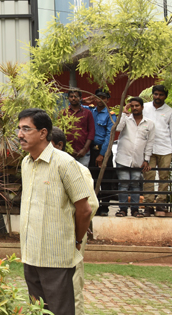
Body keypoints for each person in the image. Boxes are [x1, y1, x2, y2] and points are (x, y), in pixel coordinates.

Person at [18, 108, 91, 315]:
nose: (20, 135)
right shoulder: (26, 163)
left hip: (56, 257)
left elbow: (84, 210)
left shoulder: (64, 163)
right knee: (39, 310)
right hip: (30, 254)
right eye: (19, 129)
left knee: (60, 311)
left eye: (26, 129)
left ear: (43, 133)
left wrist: (76, 241)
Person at [49, 127, 98, 315]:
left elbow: (89, 206)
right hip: (50, 237)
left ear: (59, 145)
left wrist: (75, 236)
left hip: (71, 236)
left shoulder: (78, 169)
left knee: (72, 284)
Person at [141, 85, 172, 216]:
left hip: (165, 148)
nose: (158, 97)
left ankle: (160, 204)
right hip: (148, 148)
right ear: (152, 94)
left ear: (165, 96)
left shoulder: (171, 112)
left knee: (164, 177)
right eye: (156, 94)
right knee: (149, 176)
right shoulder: (144, 107)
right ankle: (148, 205)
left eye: (161, 95)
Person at [113, 97, 154, 217]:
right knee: (123, 184)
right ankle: (123, 209)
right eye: (133, 106)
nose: (135, 108)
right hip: (123, 158)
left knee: (136, 184)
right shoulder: (126, 119)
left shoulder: (149, 123)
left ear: (142, 107)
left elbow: (150, 143)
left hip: (138, 160)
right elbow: (118, 128)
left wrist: (146, 159)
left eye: (137, 106)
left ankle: (135, 210)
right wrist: (124, 113)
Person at [87, 88, 116, 216]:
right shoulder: (89, 111)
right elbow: (73, 104)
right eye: (98, 97)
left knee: (106, 181)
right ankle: (95, 206)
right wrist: (86, 99)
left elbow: (110, 136)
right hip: (90, 151)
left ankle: (104, 207)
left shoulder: (111, 114)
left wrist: (102, 154)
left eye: (103, 98)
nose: (100, 100)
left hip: (104, 152)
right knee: (91, 180)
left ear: (107, 100)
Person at [64, 89, 95, 166]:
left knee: (83, 176)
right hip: (68, 152)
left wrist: (84, 149)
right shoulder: (64, 113)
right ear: (68, 98)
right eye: (71, 96)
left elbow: (91, 132)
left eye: (76, 96)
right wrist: (68, 149)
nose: (73, 98)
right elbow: (61, 132)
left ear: (80, 98)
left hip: (84, 152)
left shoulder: (87, 113)